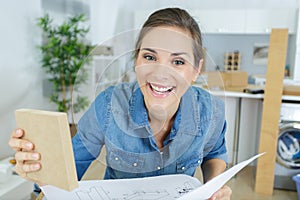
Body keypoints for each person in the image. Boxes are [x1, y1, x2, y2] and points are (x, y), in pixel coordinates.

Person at [9, 7, 232, 199]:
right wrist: (39, 169)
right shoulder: (108, 106)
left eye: (178, 61)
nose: (161, 73)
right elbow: (65, 175)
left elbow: (214, 153)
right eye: (150, 57)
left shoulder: (210, 111)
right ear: (136, 60)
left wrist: (215, 186)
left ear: (196, 70)